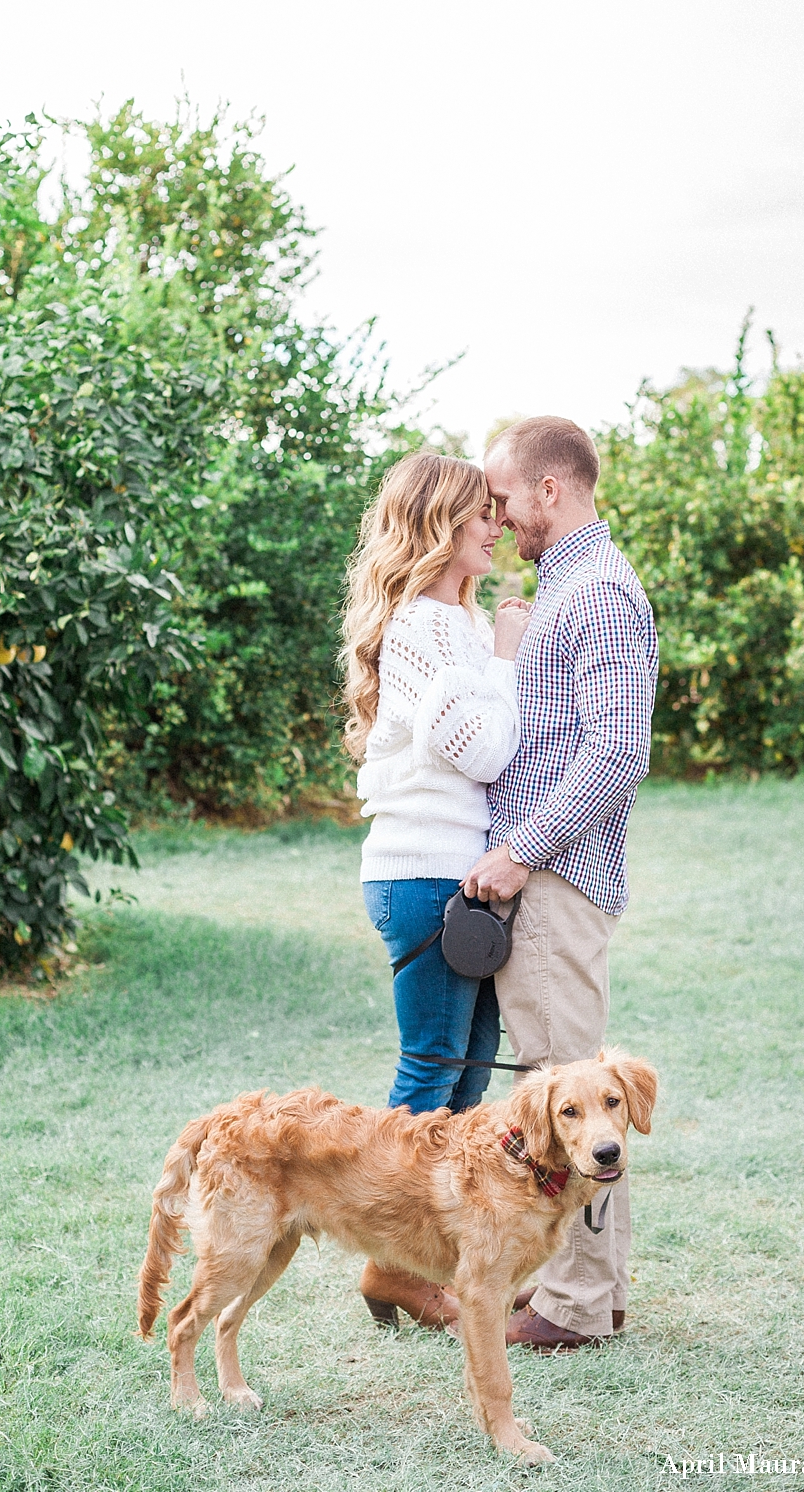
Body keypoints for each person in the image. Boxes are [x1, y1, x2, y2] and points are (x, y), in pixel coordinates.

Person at [462, 415, 658, 1351]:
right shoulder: (566, 589)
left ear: (550, 488)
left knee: (570, 1107)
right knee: (568, 1093)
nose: (495, 516)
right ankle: (595, 1295)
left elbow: (617, 752)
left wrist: (520, 852)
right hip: (546, 879)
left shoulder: (600, 594)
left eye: (502, 497)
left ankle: (575, 1309)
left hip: (556, 882)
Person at [341, 449, 531, 1328]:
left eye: (497, 511)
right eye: (481, 513)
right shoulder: (424, 625)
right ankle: (390, 1265)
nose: (497, 525)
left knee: (468, 1073)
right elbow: (485, 750)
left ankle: (433, 1258)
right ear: (439, 524)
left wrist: (489, 653)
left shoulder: (445, 621)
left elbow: (489, 740)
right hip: (421, 873)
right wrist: (503, 652)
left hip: (453, 874)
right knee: (432, 1075)